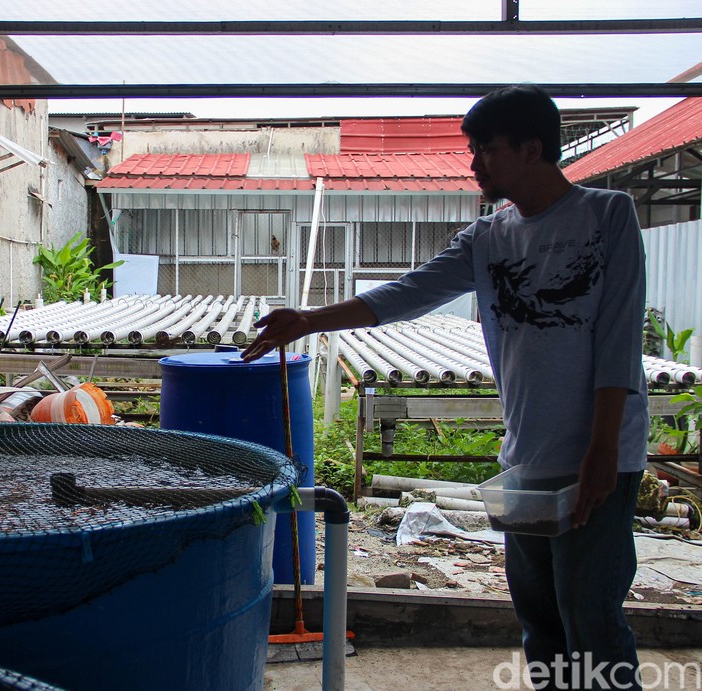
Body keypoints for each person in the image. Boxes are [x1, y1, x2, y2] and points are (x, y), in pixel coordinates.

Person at [242, 84, 648, 690]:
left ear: (532, 148)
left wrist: (603, 455)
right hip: (528, 461)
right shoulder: (488, 239)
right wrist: (309, 319)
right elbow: (405, 294)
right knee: (540, 624)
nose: (474, 162)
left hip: (599, 461)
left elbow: (618, 344)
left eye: (486, 148)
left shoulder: (607, 216)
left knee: (592, 623)